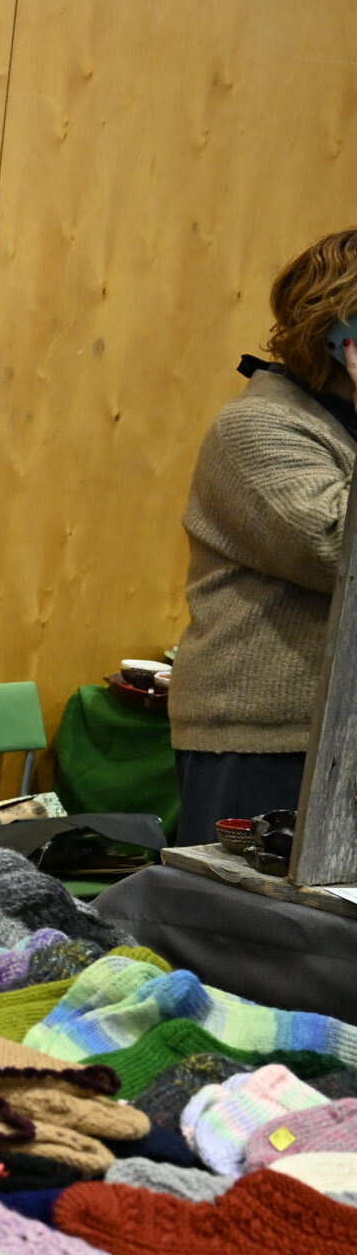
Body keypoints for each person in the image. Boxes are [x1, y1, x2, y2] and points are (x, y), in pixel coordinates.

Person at [168, 230, 357, 846]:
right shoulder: (258, 427)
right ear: (336, 330)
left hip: (338, 730)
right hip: (266, 738)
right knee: (242, 909)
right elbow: (337, 550)